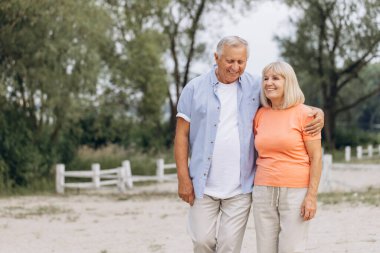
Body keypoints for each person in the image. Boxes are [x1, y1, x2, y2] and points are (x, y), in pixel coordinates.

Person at [174, 36, 323, 253]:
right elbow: (181, 136)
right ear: (216, 58)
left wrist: (319, 113)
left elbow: (288, 102)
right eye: (229, 61)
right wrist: (183, 178)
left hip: (241, 188)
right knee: (201, 241)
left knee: (229, 246)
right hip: (203, 185)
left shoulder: (255, 85)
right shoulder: (194, 88)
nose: (235, 67)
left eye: (241, 62)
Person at [252, 61, 322, 253]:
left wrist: (311, 196)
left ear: (288, 82)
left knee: (291, 248)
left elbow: (316, 158)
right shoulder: (260, 114)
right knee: (264, 249)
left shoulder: (306, 114)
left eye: (276, 78)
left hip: (295, 192)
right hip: (263, 190)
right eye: (265, 78)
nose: (269, 83)